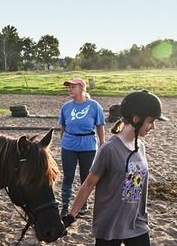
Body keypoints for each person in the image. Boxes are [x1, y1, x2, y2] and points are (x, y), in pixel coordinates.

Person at [62, 90, 168, 246]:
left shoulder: (141, 147)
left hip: (136, 222)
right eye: (151, 121)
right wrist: (71, 216)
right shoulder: (109, 149)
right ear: (136, 118)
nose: (153, 127)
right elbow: (89, 183)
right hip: (110, 223)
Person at [59, 78, 106, 217]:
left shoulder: (94, 106)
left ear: (81, 89)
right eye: (69, 87)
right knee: (68, 176)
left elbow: (100, 126)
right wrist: (64, 142)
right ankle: (65, 206)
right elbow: (63, 127)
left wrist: (102, 144)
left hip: (88, 145)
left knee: (86, 177)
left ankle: (82, 205)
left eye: (73, 87)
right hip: (69, 145)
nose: (70, 89)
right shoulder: (66, 107)